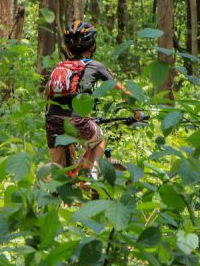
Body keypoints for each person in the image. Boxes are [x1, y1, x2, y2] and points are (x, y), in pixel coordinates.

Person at [43, 20, 139, 177]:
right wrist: (137, 113)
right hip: (77, 120)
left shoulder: (59, 67)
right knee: (98, 141)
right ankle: (91, 177)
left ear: (67, 48)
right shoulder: (95, 66)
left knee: (60, 172)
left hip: (52, 120)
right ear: (93, 46)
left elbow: (47, 93)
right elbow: (123, 91)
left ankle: (54, 194)